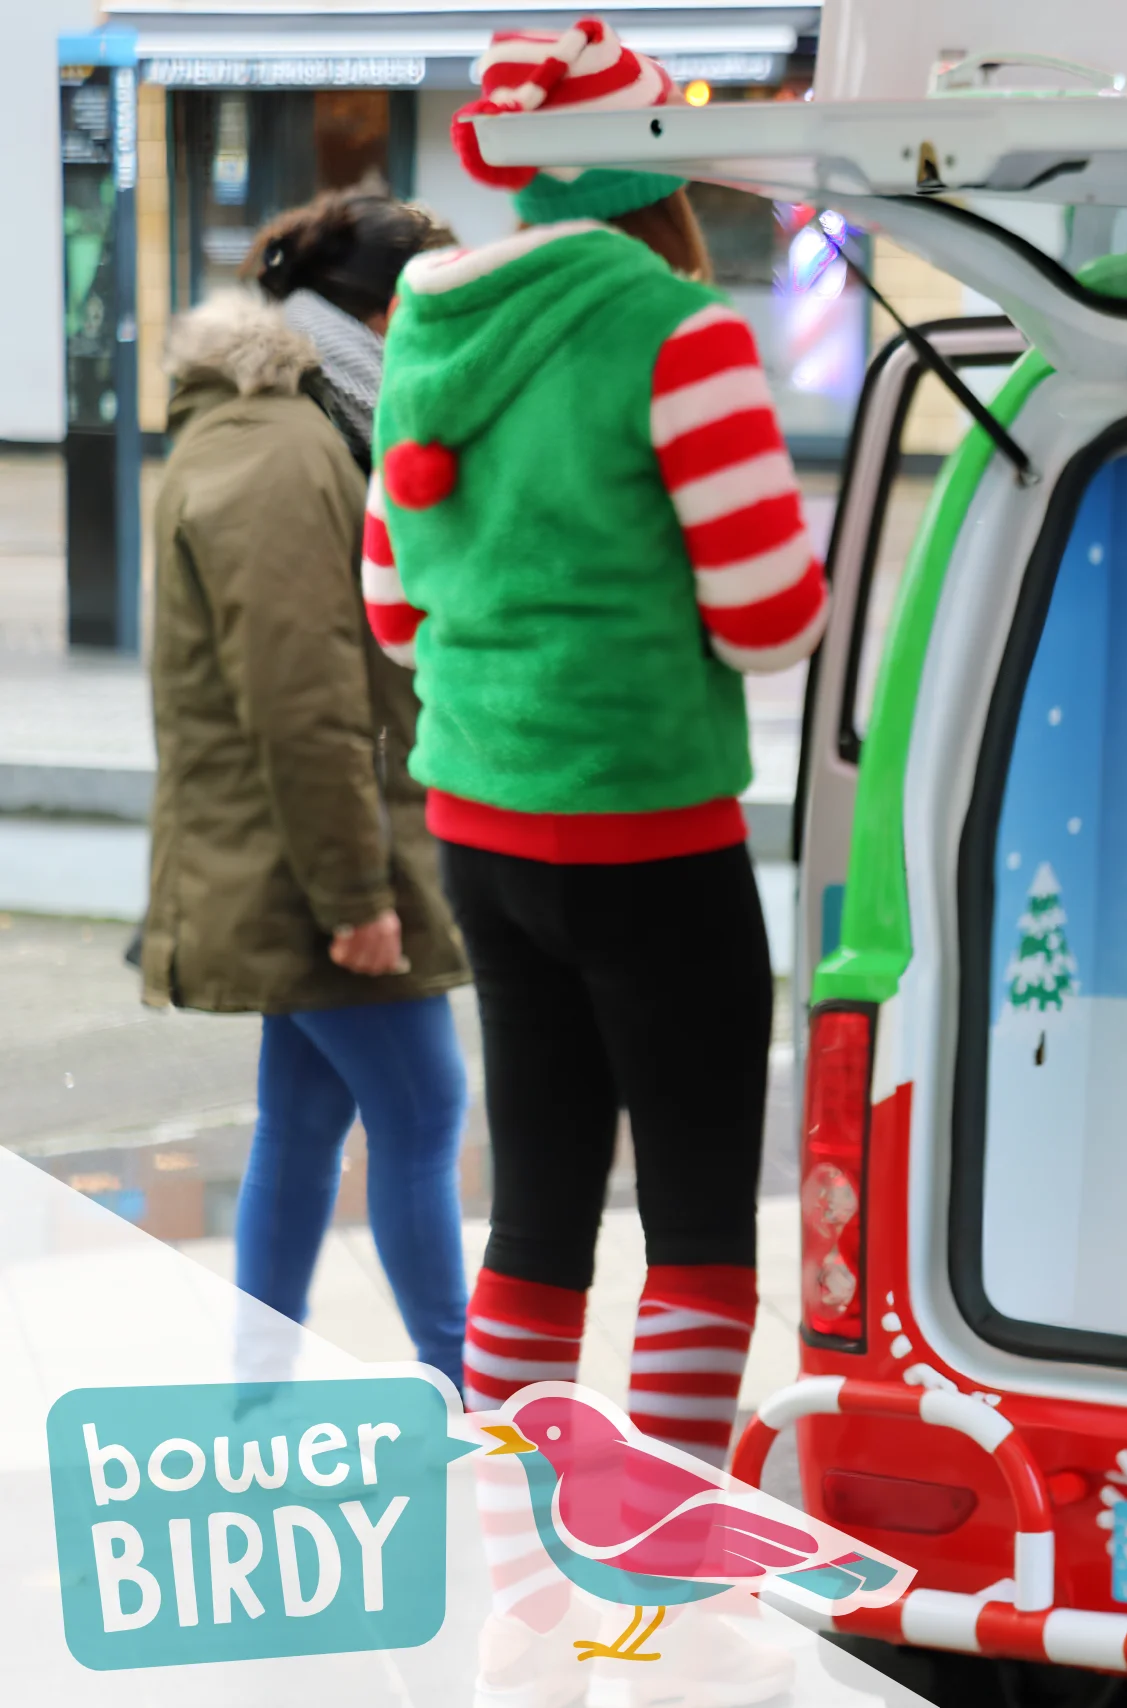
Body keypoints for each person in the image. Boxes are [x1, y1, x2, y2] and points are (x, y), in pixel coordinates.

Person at [367, 18, 824, 1463]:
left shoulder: (425, 330)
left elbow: (391, 612)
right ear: (653, 163)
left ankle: (518, 1524)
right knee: (693, 1218)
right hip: (648, 830)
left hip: (480, 835)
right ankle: (671, 1555)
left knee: (540, 1205)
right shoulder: (677, 333)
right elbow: (770, 616)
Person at [145, 192, 471, 1391]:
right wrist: (354, 894)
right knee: (427, 1106)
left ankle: (255, 1388)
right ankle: (470, 1388)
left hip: (295, 843)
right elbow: (300, 690)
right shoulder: (290, 446)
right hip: (309, 854)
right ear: (386, 311)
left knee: (308, 1119)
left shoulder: (306, 421)